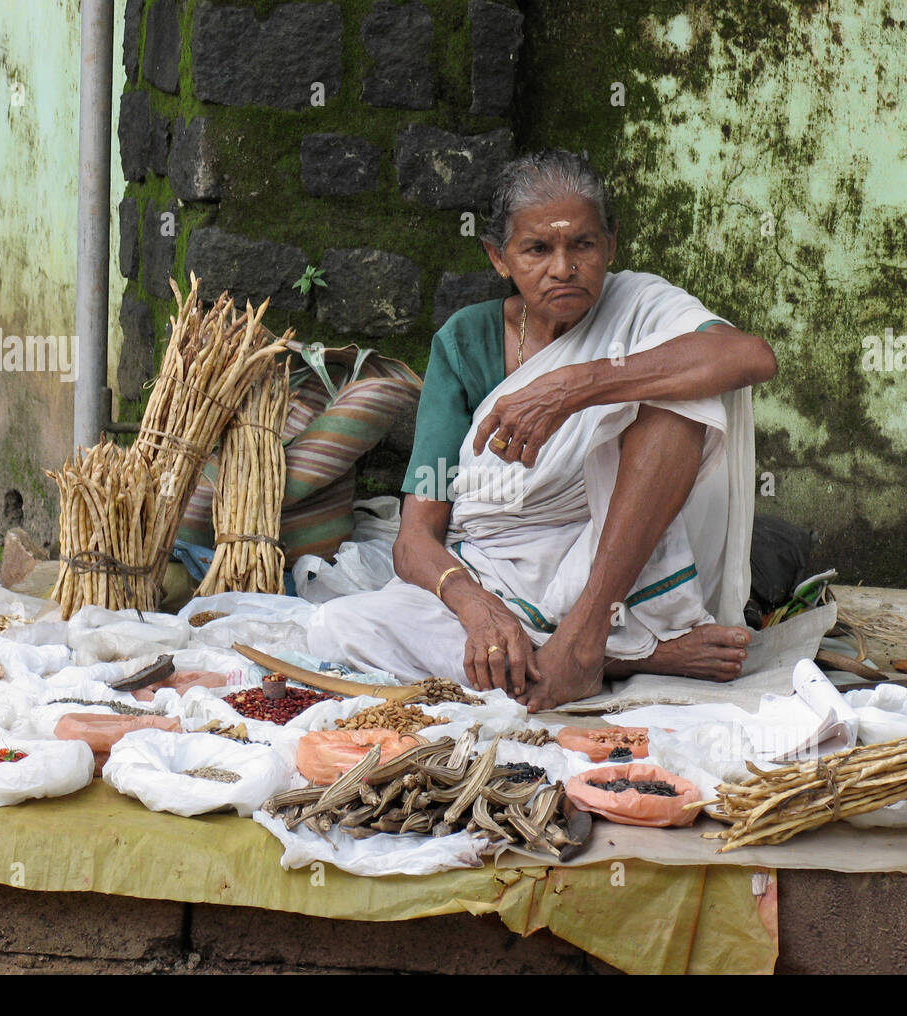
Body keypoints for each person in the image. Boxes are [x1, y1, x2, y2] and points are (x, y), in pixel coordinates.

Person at [307, 149, 777, 712]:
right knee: (338, 627)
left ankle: (582, 640)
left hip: (627, 555)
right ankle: (623, 656)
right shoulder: (466, 344)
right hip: (500, 569)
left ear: (611, 243)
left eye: (583, 244)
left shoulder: (641, 305)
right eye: (537, 249)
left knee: (682, 395)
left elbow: (750, 356)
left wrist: (581, 385)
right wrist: (476, 605)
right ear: (498, 257)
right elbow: (414, 540)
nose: (563, 268)